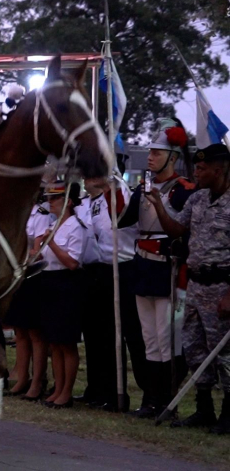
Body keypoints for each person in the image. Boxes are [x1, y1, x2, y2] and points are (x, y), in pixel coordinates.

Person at [149, 143, 230, 434]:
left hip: (222, 286)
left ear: (219, 170)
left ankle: (228, 412)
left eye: (202, 168)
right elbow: (176, 229)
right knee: (195, 349)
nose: (196, 172)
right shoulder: (197, 200)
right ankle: (204, 409)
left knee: (223, 354)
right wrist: (159, 205)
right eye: (196, 166)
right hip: (196, 285)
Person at [119, 119, 195, 418]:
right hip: (143, 267)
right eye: (149, 151)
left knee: (166, 339)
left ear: (172, 157)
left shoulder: (183, 190)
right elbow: (123, 220)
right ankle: (150, 399)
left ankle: (167, 400)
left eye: (156, 152)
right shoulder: (143, 187)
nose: (150, 156)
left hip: (167, 270)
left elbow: (180, 232)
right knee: (149, 338)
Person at [77, 174, 138, 411]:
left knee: (114, 335)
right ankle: (96, 388)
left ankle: (114, 394)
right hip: (99, 268)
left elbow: (119, 218)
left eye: (90, 173)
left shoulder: (117, 191)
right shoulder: (94, 201)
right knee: (95, 334)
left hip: (121, 267)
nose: (85, 178)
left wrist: (109, 179)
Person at [32, 181, 86, 408]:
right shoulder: (53, 225)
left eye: (55, 199)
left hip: (66, 284)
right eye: (49, 198)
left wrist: (51, 243)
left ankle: (66, 392)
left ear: (68, 202)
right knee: (54, 341)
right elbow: (40, 257)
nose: (49, 202)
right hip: (49, 281)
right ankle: (58, 388)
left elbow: (72, 262)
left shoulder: (76, 226)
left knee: (66, 343)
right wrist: (38, 244)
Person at [4, 199, 51, 398]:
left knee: (35, 333)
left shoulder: (41, 213)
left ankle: (37, 380)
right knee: (20, 330)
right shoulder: (17, 208)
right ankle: (22, 378)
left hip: (34, 275)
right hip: (18, 273)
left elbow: (38, 252)